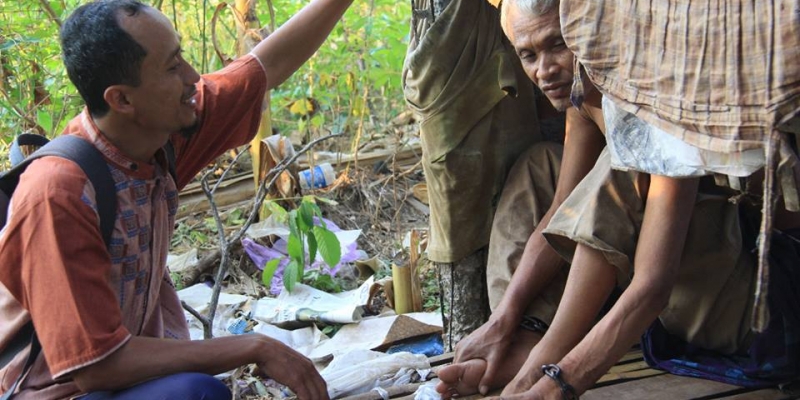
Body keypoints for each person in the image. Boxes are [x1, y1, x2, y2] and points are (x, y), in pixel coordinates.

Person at [436, 0, 800, 398]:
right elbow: (561, 210)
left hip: (761, 310)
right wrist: (504, 319)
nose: (545, 69)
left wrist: (552, 383)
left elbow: (651, 285)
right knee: (539, 164)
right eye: (528, 54)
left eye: (558, 44)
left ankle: (543, 355)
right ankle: (525, 337)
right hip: (680, 297)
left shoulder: (659, 96)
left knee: (623, 156)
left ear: (593, 33)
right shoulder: (585, 96)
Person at [0, 0, 353, 398]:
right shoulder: (59, 194)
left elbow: (264, 67)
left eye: (181, 56)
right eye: (172, 67)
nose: (192, 76)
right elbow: (97, 365)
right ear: (122, 100)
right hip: (60, 390)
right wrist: (253, 345)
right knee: (194, 393)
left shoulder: (160, 136)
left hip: (123, 377)